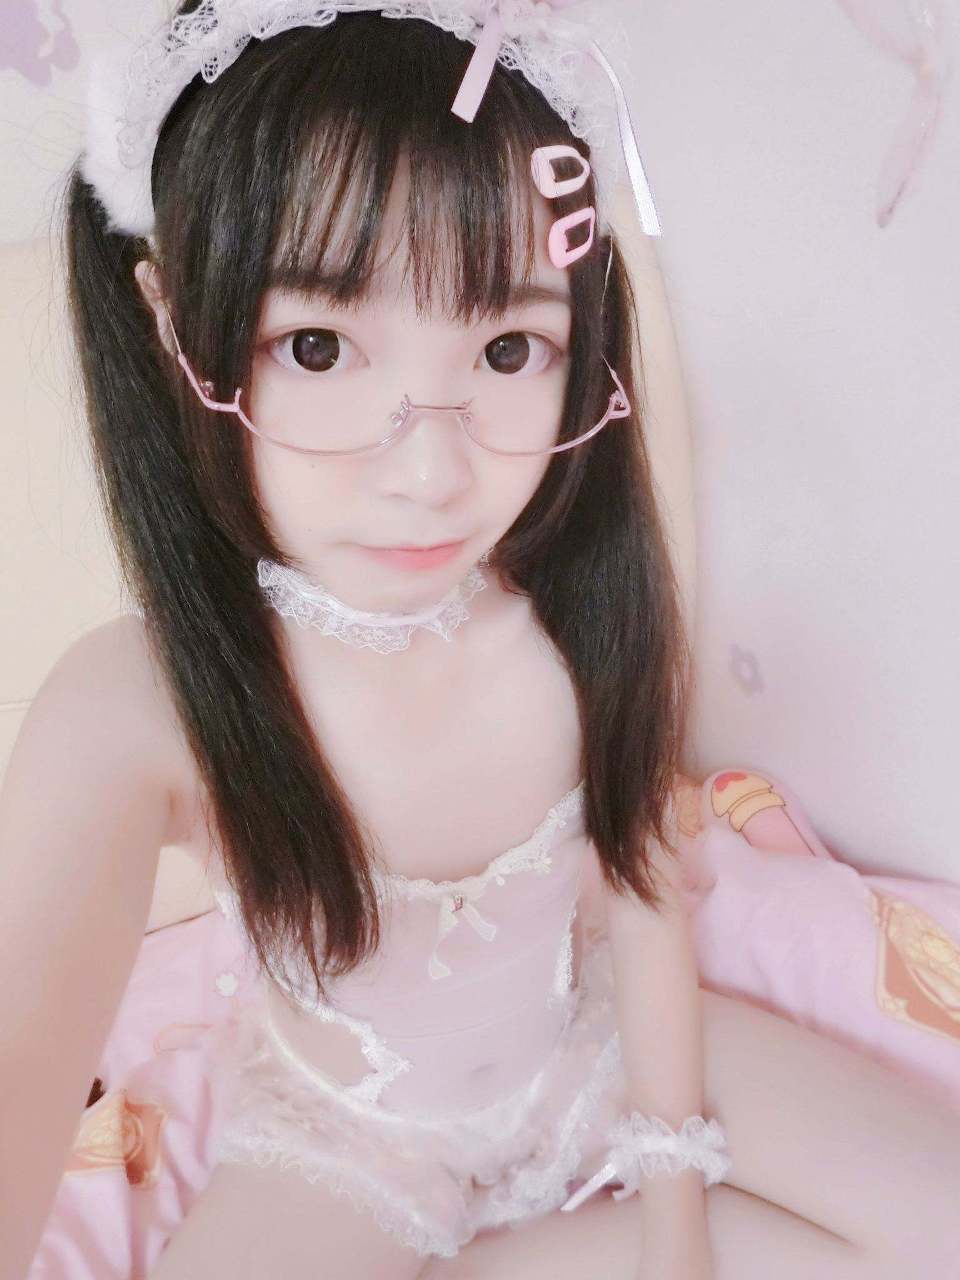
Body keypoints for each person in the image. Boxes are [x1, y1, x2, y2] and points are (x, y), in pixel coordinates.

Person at [2, 4, 958, 1279]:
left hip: (586, 1053)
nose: (433, 471)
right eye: (319, 346)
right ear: (174, 323)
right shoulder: (146, 703)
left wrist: (675, 1223)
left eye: (509, 347)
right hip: (350, 1140)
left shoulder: (580, 603)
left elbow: (640, 890)